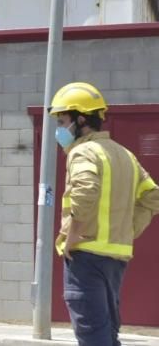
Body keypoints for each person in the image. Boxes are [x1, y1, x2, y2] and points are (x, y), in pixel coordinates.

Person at [51, 82, 159, 346]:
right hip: (115, 257)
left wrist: (74, 235)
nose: (60, 129)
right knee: (106, 333)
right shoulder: (125, 155)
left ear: (80, 120)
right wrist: (127, 230)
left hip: (87, 256)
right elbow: (152, 195)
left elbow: (86, 190)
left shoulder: (83, 152)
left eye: (63, 121)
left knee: (93, 337)